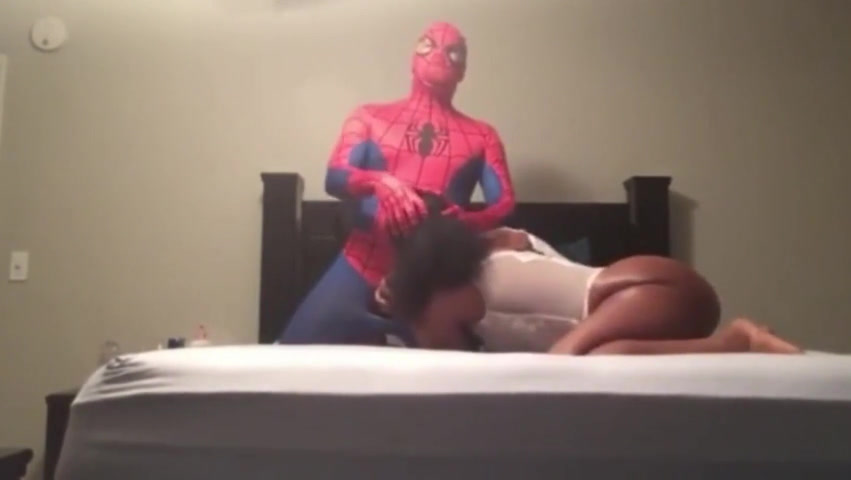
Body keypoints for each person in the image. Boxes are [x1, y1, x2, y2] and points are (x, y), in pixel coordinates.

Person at [279, 21, 515, 345]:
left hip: (432, 280)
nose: (439, 56)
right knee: (294, 352)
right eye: (428, 46)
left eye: (454, 52)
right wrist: (381, 182)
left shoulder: (482, 135)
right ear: (413, 58)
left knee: (448, 371)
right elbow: (335, 176)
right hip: (362, 260)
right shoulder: (368, 117)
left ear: (463, 71)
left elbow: (504, 203)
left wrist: (465, 220)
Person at [378, 212, 802, 355]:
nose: (421, 335)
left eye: (417, 316)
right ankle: (737, 341)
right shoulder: (483, 330)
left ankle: (739, 340)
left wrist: (405, 281)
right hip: (657, 307)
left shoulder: (493, 268)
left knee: (572, 358)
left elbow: (511, 238)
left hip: (655, 287)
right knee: (608, 357)